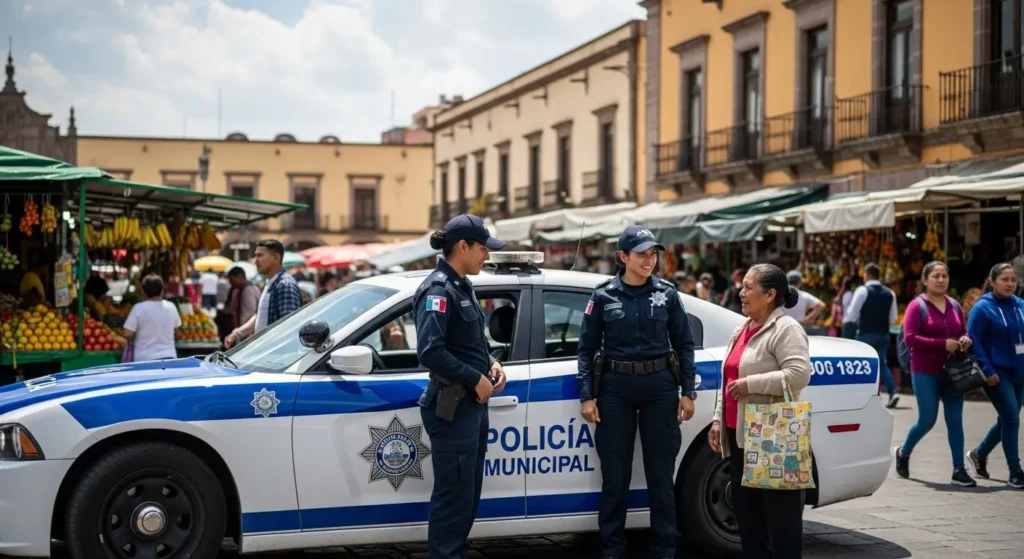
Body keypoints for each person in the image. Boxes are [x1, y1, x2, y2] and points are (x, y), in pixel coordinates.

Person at [577, 225, 697, 559]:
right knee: (615, 477)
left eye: (653, 254)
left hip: (660, 387)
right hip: (615, 389)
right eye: (641, 254)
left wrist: (688, 391)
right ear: (623, 257)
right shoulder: (602, 296)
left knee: (661, 476)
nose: (649, 260)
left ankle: (664, 549)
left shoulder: (668, 294)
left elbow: (685, 344)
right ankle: (612, 549)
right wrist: (587, 396)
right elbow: (585, 350)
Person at [414, 214, 508, 559]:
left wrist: (492, 363)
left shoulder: (462, 285)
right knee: (453, 497)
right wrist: (476, 379)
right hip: (453, 406)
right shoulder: (439, 289)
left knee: (467, 495)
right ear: (463, 247)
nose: (487, 256)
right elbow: (431, 351)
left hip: (471, 406)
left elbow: (469, 344)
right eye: (483, 249)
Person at [708, 263, 812, 559]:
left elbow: (799, 374)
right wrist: (717, 420)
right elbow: (728, 378)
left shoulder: (786, 328)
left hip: (771, 438)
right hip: (739, 437)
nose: (741, 293)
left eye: (748, 287)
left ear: (769, 295)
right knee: (749, 519)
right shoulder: (743, 327)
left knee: (781, 521)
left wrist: (751, 384)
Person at [894, 261, 976, 487]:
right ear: (925, 280)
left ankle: (959, 469)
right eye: (936, 276)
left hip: (953, 372)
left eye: (944, 276)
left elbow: (962, 330)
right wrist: (942, 344)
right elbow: (910, 338)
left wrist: (965, 338)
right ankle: (904, 451)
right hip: (925, 371)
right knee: (927, 420)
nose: (941, 280)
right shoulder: (916, 306)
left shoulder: (954, 305)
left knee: (955, 421)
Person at [966, 263, 1024, 489]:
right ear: (992, 281)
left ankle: (979, 455)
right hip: (996, 374)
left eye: (1013, 280)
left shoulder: (1020, 305)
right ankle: (1015, 471)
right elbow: (974, 342)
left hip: (1020, 371)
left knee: (1007, 419)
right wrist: (988, 371)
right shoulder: (982, 308)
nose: (1010, 284)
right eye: (1005, 280)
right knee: (1011, 418)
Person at [225, 240, 302, 348]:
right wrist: (237, 333)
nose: (255, 261)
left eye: (260, 256)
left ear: (275, 257)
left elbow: (288, 327)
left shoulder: (285, 284)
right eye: (255, 256)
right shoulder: (270, 283)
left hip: (275, 357)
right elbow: (260, 316)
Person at [846, 264, 900, 408]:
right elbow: (893, 317)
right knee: (881, 363)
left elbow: (852, 315)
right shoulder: (890, 293)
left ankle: (860, 395)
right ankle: (893, 391)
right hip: (883, 333)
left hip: (865, 332)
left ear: (866, 275)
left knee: (860, 363)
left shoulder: (862, 291)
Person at [122, 275, 180, 362]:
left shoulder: (139, 308)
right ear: (162, 290)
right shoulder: (171, 307)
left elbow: (127, 333)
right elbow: (176, 330)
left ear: (143, 291)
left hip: (144, 358)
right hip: (169, 357)